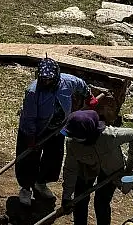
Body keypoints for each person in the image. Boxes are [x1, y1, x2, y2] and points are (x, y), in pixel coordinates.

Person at [60, 109, 133, 225]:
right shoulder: (72, 143)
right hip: (86, 169)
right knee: (80, 200)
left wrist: (131, 164)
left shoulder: (110, 136)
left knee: (102, 203)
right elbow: (70, 169)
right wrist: (67, 196)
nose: (73, 137)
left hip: (111, 170)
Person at [16, 58, 89, 206]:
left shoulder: (67, 82)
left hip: (57, 129)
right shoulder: (33, 92)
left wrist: (89, 95)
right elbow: (30, 117)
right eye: (43, 79)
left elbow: (81, 85)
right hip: (34, 130)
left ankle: (41, 183)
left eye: (49, 79)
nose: (46, 82)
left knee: (53, 158)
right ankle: (26, 188)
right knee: (28, 159)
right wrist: (31, 137)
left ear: (56, 76)